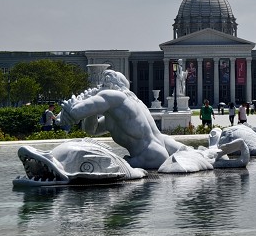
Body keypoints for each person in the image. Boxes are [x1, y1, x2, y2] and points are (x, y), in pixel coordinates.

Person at [58, 70, 221, 170]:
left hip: (147, 157)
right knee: (200, 156)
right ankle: (214, 153)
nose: (101, 84)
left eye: (104, 80)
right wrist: (92, 110)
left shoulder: (111, 96)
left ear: (111, 84)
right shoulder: (133, 102)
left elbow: (74, 113)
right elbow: (91, 130)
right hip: (161, 147)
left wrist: (75, 104)